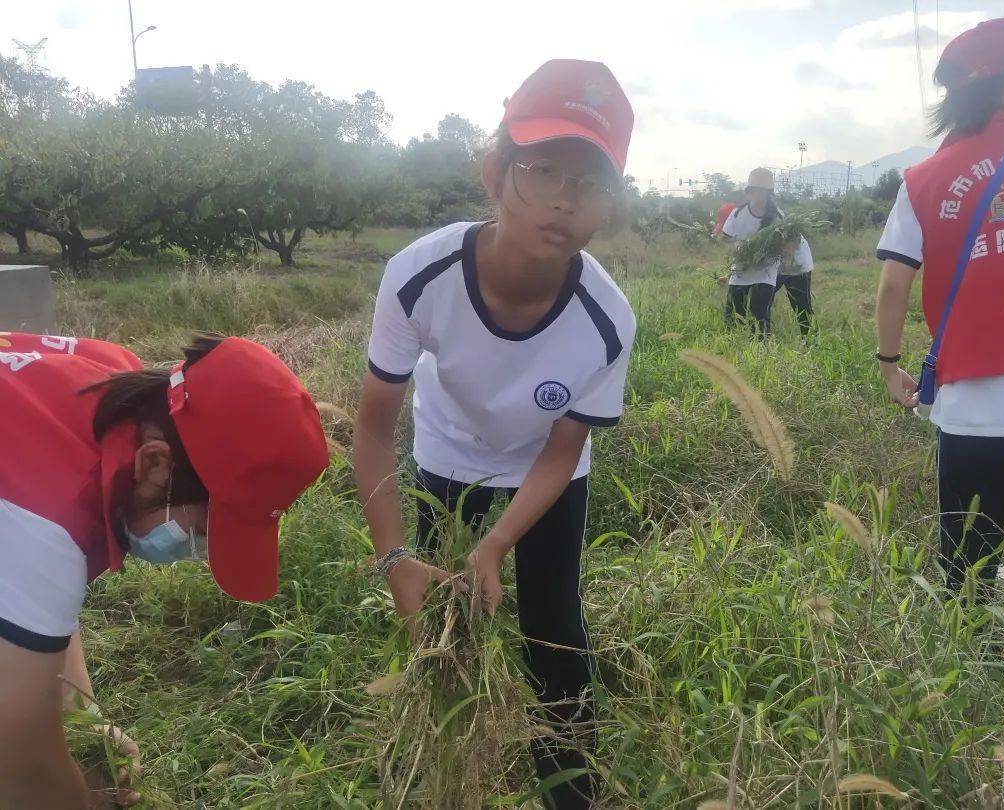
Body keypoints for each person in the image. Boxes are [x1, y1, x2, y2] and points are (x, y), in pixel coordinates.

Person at [353, 59, 636, 808]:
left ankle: (569, 789)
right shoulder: (419, 274)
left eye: (593, 182)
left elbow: (562, 449)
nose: (566, 202)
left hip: (547, 480)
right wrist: (394, 559)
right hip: (446, 463)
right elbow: (374, 432)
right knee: (445, 625)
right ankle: (450, 772)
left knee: (555, 632)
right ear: (494, 172)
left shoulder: (608, 321)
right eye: (544, 170)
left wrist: (498, 543)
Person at [0, 331, 329, 807]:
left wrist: (89, 720)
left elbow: (35, 602)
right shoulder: (45, 516)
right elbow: (22, 770)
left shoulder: (122, 388)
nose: (195, 550)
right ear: (156, 464)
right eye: (199, 529)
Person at [874, 19, 1004, 685]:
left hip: (971, 398)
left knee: (970, 530)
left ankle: (969, 668)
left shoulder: (925, 176)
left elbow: (893, 281)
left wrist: (888, 363)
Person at [720, 168, 814, 336]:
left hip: (792, 264)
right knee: (736, 310)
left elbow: (788, 247)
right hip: (758, 264)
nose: (758, 196)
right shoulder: (738, 214)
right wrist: (730, 272)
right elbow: (728, 241)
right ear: (749, 192)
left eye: (762, 192)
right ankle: (743, 345)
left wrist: (769, 258)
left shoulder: (778, 216)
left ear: (769, 193)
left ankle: (810, 341)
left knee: (799, 307)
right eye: (755, 191)